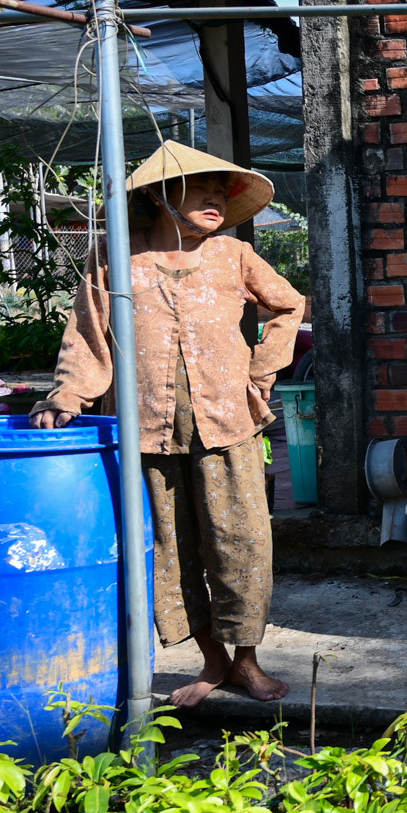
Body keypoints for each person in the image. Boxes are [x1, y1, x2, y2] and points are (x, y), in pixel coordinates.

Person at [32, 142, 304, 706]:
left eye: (221, 192)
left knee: (243, 543)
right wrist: (70, 392)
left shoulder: (235, 256)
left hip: (228, 423)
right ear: (160, 196)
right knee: (168, 547)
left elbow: (288, 306)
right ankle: (212, 663)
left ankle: (248, 663)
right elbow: (89, 330)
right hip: (146, 429)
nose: (215, 201)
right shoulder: (115, 258)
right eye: (199, 189)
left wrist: (261, 371)